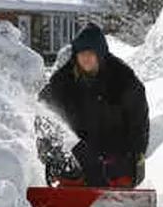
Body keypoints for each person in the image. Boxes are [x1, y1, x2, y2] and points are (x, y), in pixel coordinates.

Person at [39, 23, 149, 187]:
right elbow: (44, 112)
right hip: (78, 151)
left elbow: (138, 119)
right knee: (70, 166)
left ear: (101, 53)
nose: (85, 58)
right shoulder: (63, 80)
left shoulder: (123, 78)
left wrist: (137, 151)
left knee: (111, 172)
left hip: (115, 150)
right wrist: (47, 151)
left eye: (91, 53)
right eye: (81, 53)